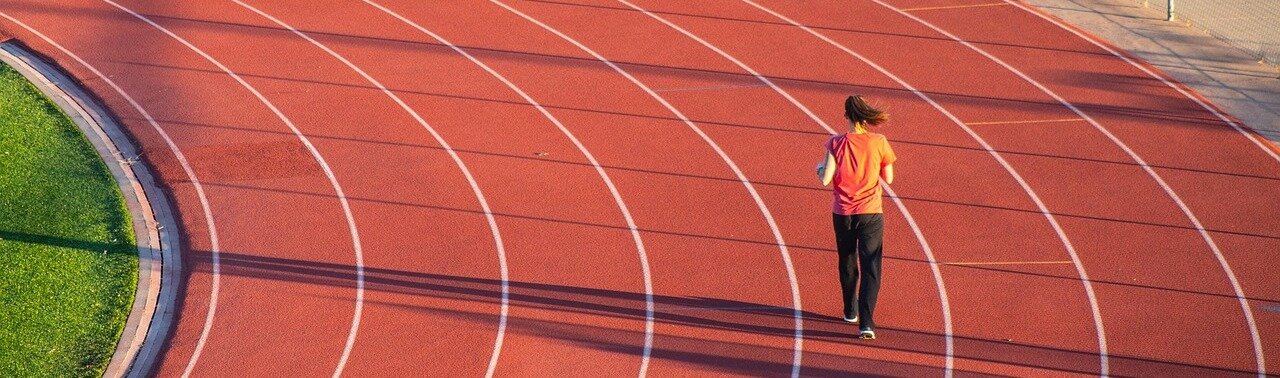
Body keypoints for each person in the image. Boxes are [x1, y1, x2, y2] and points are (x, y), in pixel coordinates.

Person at [816, 95, 896, 340]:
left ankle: (850, 310)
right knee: (871, 266)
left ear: (846, 116)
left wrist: (819, 167)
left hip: (843, 212)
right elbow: (889, 178)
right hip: (871, 211)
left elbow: (825, 178)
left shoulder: (836, 142)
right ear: (865, 115)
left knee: (847, 260)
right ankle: (867, 323)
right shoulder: (879, 142)